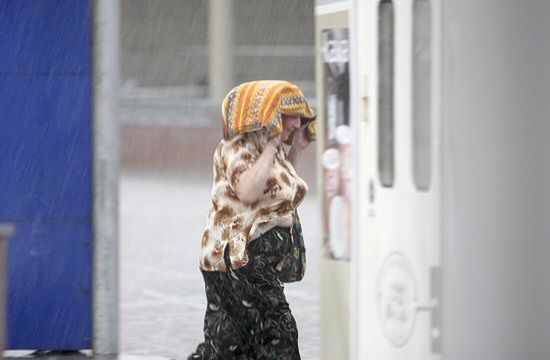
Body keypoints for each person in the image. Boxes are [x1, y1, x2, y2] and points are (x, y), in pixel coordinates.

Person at [188, 80, 316, 360]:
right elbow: (248, 190)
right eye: (290, 116)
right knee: (277, 333)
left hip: (247, 263)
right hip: (239, 261)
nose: (297, 123)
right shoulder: (236, 147)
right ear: (268, 118)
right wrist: (272, 145)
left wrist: (295, 148)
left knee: (230, 340)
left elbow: (278, 187)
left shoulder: (268, 149)